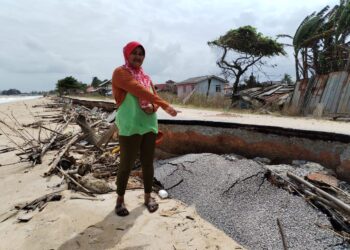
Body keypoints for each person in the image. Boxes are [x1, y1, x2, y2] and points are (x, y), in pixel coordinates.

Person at [112, 41, 177, 216]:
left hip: (149, 124)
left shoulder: (146, 77)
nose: (138, 56)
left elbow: (153, 97)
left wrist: (154, 107)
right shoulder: (120, 73)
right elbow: (138, 90)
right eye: (134, 53)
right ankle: (119, 201)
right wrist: (164, 105)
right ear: (127, 54)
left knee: (148, 163)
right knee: (126, 164)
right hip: (130, 125)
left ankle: (148, 197)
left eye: (141, 54)